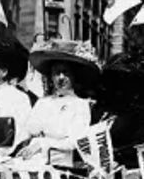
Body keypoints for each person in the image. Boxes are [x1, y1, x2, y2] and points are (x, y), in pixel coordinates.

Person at [17, 38, 99, 166]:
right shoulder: (43, 102)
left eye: (65, 73)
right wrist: (11, 146)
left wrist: (43, 144)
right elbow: (29, 129)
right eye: (56, 73)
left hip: (59, 161)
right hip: (34, 157)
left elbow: (74, 141)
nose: (61, 78)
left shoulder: (80, 105)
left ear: (73, 75)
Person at [94, 51, 144, 168]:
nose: (117, 89)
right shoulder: (97, 112)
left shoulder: (142, 121)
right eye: (114, 81)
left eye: (125, 82)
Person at [0, 39, 33, 157]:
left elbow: (22, 132)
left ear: (4, 72)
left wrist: (2, 152)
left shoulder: (18, 98)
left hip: (3, 157)